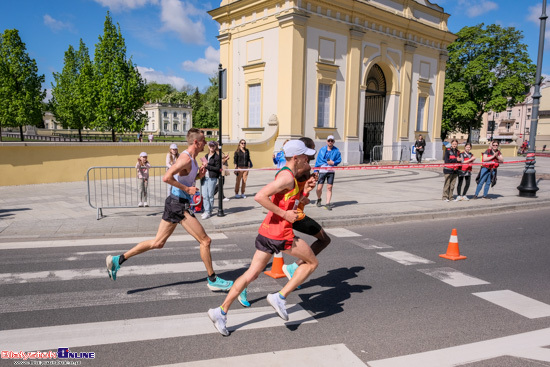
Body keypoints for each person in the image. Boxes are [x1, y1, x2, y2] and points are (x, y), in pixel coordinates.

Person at [106, 128, 248, 305]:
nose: (206, 143)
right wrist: (188, 190)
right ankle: (212, 280)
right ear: (196, 142)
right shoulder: (185, 158)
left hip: (175, 202)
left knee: (158, 242)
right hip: (178, 204)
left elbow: (185, 178)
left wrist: (198, 175)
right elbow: (167, 177)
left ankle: (117, 260)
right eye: (203, 140)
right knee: (205, 241)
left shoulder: (193, 159)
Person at [208, 139, 318, 336]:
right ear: (296, 158)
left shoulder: (288, 175)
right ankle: (280, 297)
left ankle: (220, 311)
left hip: (267, 232)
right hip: (280, 233)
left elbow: (286, 202)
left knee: (251, 274)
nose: (308, 160)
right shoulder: (286, 177)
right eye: (306, 157)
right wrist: (285, 215)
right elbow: (260, 196)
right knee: (311, 263)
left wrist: (304, 194)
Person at [282, 137, 331, 284]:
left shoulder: (298, 169)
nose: (314, 151)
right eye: (312, 148)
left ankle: (243, 284)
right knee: (325, 239)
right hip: (296, 214)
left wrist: (306, 189)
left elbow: (294, 186)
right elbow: (293, 185)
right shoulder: (304, 168)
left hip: (292, 211)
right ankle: (294, 267)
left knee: (266, 252)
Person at [314, 135, 341, 211]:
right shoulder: (322, 150)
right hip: (322, 171)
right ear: (326, 141)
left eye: (332, 141)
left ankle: (327, 203)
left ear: (334, 142)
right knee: (319, 188)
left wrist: (333, 162)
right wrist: (316, 171)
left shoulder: (336, 150)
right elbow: (318, 161)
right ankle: (319, 199)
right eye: (329, 140)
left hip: (331, 171)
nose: (330, 142)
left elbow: (339, 159)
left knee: (329, 187)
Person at [201, 141, 221, 219]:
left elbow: (217, 168)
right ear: (208, 147)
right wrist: (203, 166)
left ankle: (209, 211)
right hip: (205, 177)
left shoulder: (217, 157)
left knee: (210, 195)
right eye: (210, 146)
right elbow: (205, 165)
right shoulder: (206, 156)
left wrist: (207, 166)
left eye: (213, 146)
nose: (212, 147)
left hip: (212, 177)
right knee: (205, 195)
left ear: (215, 147)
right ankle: (206, 210)